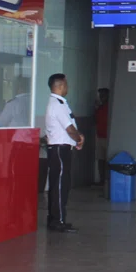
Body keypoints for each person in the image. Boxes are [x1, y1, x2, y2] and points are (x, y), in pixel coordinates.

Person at [44, 73, 83, 233]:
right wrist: (79, 139)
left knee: (59, 184)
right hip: (60, 149)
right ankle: (57, 220)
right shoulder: (57, 105)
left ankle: (55, 218)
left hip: (60, 148)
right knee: (60, 185)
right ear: (59, 86)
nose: (67, 87)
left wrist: (77, 138)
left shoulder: (59, 103)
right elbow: (69, 127)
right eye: (66, 85)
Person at [94, 88, 110, 187]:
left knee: (107, 159)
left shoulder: (110, 107)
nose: (101, 97)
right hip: (100, 136)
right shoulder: (100, 108)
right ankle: (102, 180)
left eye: (103, 95)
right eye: (100, 95)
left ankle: (107, 181)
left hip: (108, 137)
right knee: (101, 159)